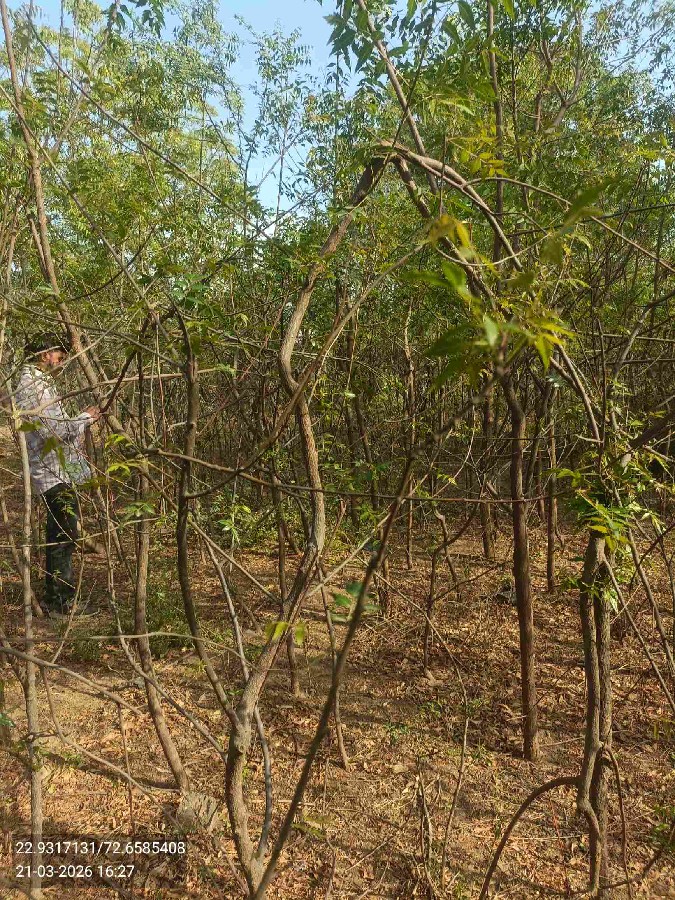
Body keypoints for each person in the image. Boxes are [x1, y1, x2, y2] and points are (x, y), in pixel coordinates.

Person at [14, 334, 100, 614]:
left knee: (62, 533)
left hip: (57, 470)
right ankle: (60, 602)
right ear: (45, 355)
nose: (62, 361)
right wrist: (85, 418)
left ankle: (58, 598)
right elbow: (54, 431)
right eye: (59, 355)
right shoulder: (34, 385)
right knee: (63, 535)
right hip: (51, 473)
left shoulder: (39, 382)